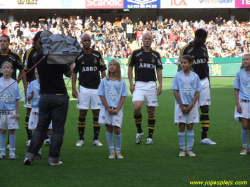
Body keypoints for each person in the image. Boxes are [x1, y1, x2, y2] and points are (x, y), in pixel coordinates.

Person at [24, 30, 73, 165]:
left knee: (41, 128)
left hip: (44, 96)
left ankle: (29, 155)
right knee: (57, 130)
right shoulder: (58, 55)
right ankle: (53, 159)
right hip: (59, 96)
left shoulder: (38, 56)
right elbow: (69, 73)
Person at [177, 29, 216, 145]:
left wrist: (208, 82)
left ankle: (204, 137)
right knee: (190, 108)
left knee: (205, 108)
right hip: (191, 83)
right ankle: (190, 135)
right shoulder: (186, 49)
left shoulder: (204, 48)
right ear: (197, 37)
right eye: (203, 39)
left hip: (203, 81)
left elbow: (206, 66)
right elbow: (180, 66)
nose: (205, 41)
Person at [127, 32, 163, 145]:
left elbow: (159, 69)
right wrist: (131, 83)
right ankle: (139, 132)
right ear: (142, 40)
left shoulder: (156, 54)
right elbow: (130, 68)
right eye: (145, 39)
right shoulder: (136, 53)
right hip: (139, 84)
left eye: (149, 39)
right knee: (137, 107)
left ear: (152, 40)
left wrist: (160, 84)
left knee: (151, 111)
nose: (147, 40)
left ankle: (150, 137)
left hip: (151, 84)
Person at [72, 34, 106, 147]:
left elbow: (103, 70)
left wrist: (104, 85)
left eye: (88, 40)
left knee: (96, 113)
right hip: (84, 88)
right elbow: (74, 73)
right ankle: (81, 139)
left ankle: (96, 139)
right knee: (82, 113)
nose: (87, 42)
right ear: (81, 42)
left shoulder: (97, 54)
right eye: (84, 40)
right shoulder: (78, 55)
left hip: (96, 88)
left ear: (91, 42)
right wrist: (73, 88)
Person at [171, 55, 201, 157]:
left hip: (192, 106)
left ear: (190, 63)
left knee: (190, 126)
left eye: (185, 63)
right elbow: (175, 91)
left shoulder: (195, 76)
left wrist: (191, 105)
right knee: (182, 125)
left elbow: (197, 92)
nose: (183, 64)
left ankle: (190, 149)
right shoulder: (177, 76)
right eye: (182, 63)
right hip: (180, 106)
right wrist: (182, 105)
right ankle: (182, 149)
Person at [97, 59, 128, 159]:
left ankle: (118, 151)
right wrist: (108, 108)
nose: (112, 66)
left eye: (114, 65)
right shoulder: (104, 81)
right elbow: (101, 95)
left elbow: (123, 95)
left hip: (118, 109)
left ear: (118, 67)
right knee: (109, 128)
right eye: (110, 65)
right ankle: (111, 151)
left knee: (117, 129)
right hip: (107, 109)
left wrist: (118, 109)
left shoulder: (121, 81)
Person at [0, 34, 27, 149]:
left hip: (10, 89)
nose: (2, 43)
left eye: (5, 41)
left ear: (9, 43)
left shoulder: (15, 55)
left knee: (9, 117)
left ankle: (9, 145)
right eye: (1, 41)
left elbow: (22, 70)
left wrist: (17, 82)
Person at [27, 68, 53, 159]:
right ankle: (37, 152)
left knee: (49, 130)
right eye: (36, 71)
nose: (38, 72)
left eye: (39, 70)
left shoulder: (48, 82)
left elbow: (51, 96)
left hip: (46, 109)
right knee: (36, 130)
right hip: (35, 109)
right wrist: (31, 96)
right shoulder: (32, 83)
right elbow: (28, 98)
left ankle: (53, 151)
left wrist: (43, 94)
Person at [23, 31, 42, 147]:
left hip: (44, 84)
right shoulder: (30, 52)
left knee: (44, 110)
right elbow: (25, 70)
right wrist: (26, 86)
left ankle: (43, 136)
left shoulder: (47, 51)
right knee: (30, 111)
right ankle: (30, 138)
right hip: (32, 83)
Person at [0, 61, 22, 160]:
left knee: (12, 131)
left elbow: (17, 98)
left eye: (8, 68)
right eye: (4, 67)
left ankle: (12, 152)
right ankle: (2, 152)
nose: (6, 69)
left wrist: (17, 112)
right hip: (2, 112)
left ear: (12, 70)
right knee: (2, 130)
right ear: (1, 70)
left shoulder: (14, 83)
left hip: (12, 111)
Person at [233, 54, 250, 155]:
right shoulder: (239, 73)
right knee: (245, 125)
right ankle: (244, 147)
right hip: (243, 102)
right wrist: (237, 103)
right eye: (244, 60)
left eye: (247, 59)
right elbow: (236, 89)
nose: (245, 61)